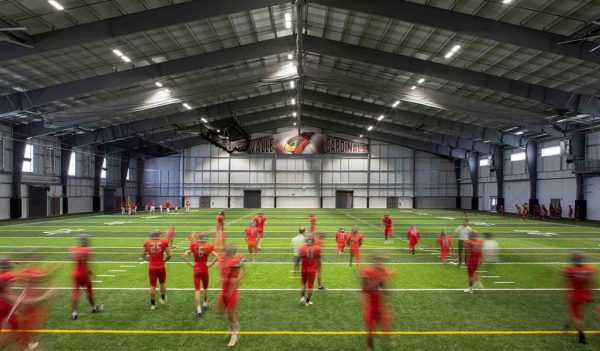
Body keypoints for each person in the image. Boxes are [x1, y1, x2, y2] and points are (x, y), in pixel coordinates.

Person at [360, 254, 393, 351]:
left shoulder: (383, 273)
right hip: (369, 306)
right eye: (378, 261)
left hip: (381, 305)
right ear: (374, 262)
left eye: (381, 261)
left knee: (384, 329)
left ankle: (377, 331)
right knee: (370, 331)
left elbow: (385, 291)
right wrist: (377, 283)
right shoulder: (367, 273)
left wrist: (386, 289)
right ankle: (370, 348)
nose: (380, 263)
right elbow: (364, 289)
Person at [562, 252, 596, 344]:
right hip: (584, 294)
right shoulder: (589, 269)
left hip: (575, 295)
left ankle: (582, 338)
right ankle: (567, 324)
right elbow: (590, 283)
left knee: (577, 316)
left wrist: (566, 295)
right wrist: (590, 294)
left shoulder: (570, 270)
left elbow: (567, 283)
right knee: (577, 313)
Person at [183, 232, 219, 317]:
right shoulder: (209, 246)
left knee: (197, 290)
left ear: (198, 238)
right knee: (205, 287)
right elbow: (217, 257)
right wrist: (210, 264)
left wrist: (191, 264)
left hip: (196, 269)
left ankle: (199, 310)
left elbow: (184, 255)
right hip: (204, 269)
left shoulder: (193, 246)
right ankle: (205, 303)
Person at [217, 244, 246, 347]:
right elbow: (220, 268)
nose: (223, 252)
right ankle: (234, 327)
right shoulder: (222, 259)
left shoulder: (234, 261)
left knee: (230, 314)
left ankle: (234, 336)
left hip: (232, 291)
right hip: (224, 290)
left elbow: (245, 270)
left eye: (226, 251)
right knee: (220, 312)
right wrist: (221, 277)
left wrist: (238, 281)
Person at [70, 235, 103, 320]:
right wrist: (88, 274)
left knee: (75, 293)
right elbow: (86, 263)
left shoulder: (73, 249)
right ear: (85, 241)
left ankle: (74, 313)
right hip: (83, 274)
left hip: (75, 273)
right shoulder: (87, 250)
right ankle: (94, 308)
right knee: (89, 291)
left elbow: (73, 260)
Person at [142, 230, 171, 310]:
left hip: (152, 267)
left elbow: (143, 254)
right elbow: (169, 255)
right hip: (161, 266)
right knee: (162, 283)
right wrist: (164, 261)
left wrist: (147, 259)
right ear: (158, 235)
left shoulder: (146, 243)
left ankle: (153, 305)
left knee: (152, 285)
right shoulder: (163, 242)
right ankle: (162, 299)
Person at [295, 237, 322, 307]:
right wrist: (319, 268)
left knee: (303, 284)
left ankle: (302, 298)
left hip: (304, 269)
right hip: (312, 270)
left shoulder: (301, 248)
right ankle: (307, 302)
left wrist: (296, 267)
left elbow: (298, 258)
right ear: (313, 241)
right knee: (310, 286)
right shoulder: (317, 248)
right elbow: (319, 259)